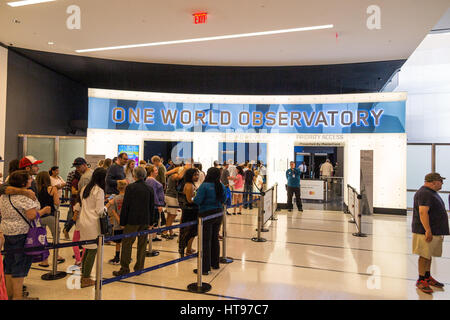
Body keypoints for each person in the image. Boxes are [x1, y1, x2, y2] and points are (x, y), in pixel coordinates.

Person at [0, 170, 51, 299]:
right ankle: (17, 296)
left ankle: (9, 294)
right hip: (22, 233)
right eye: (29, 179)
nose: (32, 180)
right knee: (20, 264)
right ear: (23, 182)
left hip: (6, 232)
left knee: (9, 264)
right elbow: (31, 215)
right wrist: (43, 211)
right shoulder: (25, 197)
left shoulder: (3, 197)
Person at [113, 167, 155, 277]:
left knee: (127, 244)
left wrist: (122, 222)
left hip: (132, 220)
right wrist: (151, 222)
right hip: (145, 220)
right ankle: (139, 268)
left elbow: (126, 206)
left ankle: (125, 268)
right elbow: (152, 206)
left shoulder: (130, 188)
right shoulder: (149, 188)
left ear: (135, 175)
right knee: (142, 245)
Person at [412, 173, 448, 294]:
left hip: (433, 231)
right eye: (440, 181)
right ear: (433, 182)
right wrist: (427, 230)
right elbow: (423, 212)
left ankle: (427, 277)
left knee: (428, 255)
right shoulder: (425, 193)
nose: (442, 183)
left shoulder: (431, 192)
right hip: (424, 232)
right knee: (424, 255)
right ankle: (421, 280)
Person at [77, 167, 108, 288]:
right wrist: (106, 207)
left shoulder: (85, 188)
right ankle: (86, 278)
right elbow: (100, 210)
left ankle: (83, 275)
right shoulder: (99, 190)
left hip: (83, 221)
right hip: (93, 223)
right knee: (93, 250)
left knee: (87, 249)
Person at [193, 167, 226, 275]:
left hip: (206, 214)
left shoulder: (205, 186)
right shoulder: (220, 185)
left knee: (205, 241)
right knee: (215, 239)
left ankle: (205, 268)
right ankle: (215, 263)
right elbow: (224, 199)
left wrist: (193, 198)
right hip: (218, 213)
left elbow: (198, 200)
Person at [36, 171, 64, 267]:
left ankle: (44, 260)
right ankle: (56, 256)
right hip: (50, 216)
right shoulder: (52, 189)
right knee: (56, 236)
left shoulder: (35, 190)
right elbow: (57, 203)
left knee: (42, 238)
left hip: (39, 216)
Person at [164, 162, 190, 238]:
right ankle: (165, 232)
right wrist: (185, 168)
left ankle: (170, 231)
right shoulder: (174, 176)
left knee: (170, 215)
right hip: (171, 196)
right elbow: (179, 177)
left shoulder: (172, 175)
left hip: (172, 196)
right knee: (173, 215)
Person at [178, 168, 199, 257]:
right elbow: (189, 200)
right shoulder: (189, 185)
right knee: (191, 231)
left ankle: (188, 248)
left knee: (188, 231)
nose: (197, 177)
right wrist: (198, 199)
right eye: (195, 175)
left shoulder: (189, 184)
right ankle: (188, 249)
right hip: (190, 211)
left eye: (197, 175)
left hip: (189, 211)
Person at [107, 180, 127, 265]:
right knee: (126, 242)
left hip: (117, 224)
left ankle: (117, 257)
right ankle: (126, 257)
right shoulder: (128, 198)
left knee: (118, 242)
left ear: (118, 188)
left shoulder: (115, 198)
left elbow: (113, 211)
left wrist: (118, 220)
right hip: (126, 223)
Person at [145, 164, 164, 242]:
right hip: (154, 205)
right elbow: (154, 193)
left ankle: (154, 236)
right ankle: (149, 237)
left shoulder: (152, 180)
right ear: (151, 172)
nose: (157, 172)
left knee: (155, 220)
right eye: (155, 170)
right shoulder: (151, 180)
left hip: (156, 204)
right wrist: (158, 204)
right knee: (152, 221)